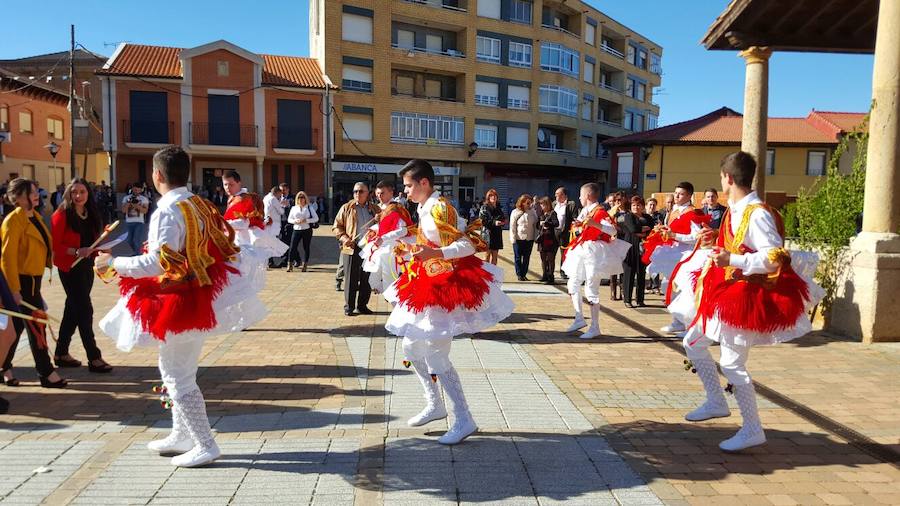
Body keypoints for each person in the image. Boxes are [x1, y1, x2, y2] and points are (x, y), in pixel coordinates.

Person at [96, 146, 266, 467]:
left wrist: (114, 262)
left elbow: (158, 262)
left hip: (181, 298)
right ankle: (181, 433)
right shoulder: (198, 203)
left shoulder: (168, 210)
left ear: (157, 175)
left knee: (178, 374)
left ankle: (204, 443)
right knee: (174, 368)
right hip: (196, 293)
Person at [682, 151, 823, 451]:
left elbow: (774, 258)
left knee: (732, 364)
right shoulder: (736, 210)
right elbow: (740, 244)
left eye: (722, 178)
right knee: (693, 342)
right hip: (727, 289)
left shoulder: (757, 212)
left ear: (729, 178)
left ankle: (752, 428)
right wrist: (718, 244)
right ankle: (716, 401)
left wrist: (731, 258)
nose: (721, 183)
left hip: (744, 295)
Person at [384, 159, 514, 445]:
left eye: (408, 186)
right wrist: (409, 246)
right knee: (410, 346)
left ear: (424, 183)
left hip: (447, 286)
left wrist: (436, 254)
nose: (404, 192)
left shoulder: (442, 207)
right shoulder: (423, 206)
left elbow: (469, 244)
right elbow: (428, 239)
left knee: (436, 355)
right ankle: (435, 404)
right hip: (427, 280)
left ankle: (463, 418)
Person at [1, 179, 66, 388]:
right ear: (18, 197)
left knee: (19, 327)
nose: (37, 194)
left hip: (33, 280)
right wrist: (14, 290)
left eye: (36, 191)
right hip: (21, 280)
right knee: (37, 325)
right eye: (31, 192)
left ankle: (4, 367)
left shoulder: (34, 216)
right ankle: (46, 372)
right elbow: (7, 258)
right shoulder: (13, 221)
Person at [50, 179, 112, 373]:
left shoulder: (91, 214)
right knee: (85, 310)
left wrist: (102, 247)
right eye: (74, 192)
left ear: (88, 194)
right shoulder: (61, 215)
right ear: (68, 193)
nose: (78, 196)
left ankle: (61, 353)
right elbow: (55, 247)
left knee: (73, 310)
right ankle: (94, 357)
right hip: (70, 268)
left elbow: (92, 243)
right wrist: (76, 251)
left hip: (86, 267)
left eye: (82, 192)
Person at [560, 183, 631, 339]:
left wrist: (595, 225)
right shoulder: (585, 211)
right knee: (573, 283)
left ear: (588, 196)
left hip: (594, 252)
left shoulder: (600, 211)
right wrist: (579, 227)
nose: (579, 198)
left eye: (581, 195)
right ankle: (579, 319)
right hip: (583, 249)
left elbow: (612, 230)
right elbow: (581, 228)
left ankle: (595, 326)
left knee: (591, 288)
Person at [645, 181, 707, 335]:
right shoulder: (673, 210)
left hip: (687, 255)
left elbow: (696, 237)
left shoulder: (693, 213)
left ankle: (691, 326)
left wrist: (674, 235)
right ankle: (678, 321)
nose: (677, 196)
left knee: (686, 290)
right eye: (676, 192)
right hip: (672, 253)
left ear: (689, 196)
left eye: (681, 194)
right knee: (667, 286)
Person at [221, 171, 289, 291]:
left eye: (231, 184)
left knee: (241, 278)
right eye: (225, 184)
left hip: (244, 242)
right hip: (235, 240)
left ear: (239, 183)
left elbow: (246, 222)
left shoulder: (244, 199)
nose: (228, 187)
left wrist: (223, 224)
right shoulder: (233, 198)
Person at [333, 182, 380, 316]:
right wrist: (344, 239)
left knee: (366, 278)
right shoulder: (347, 207)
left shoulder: (375, 209)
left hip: (369, 249)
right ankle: (349, 307)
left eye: (361, 191)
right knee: (350, 278)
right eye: (355, 191)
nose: (357, 194)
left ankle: (362, 306)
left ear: (368, 193)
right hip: (352, 247)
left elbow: (385, 225)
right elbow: (337, 226)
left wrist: (379, 220)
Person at [361, 181, 413, 294]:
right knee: (373, 281)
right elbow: (386, 227)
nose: (380, 196)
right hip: (381, 249)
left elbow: (403, 230)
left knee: (389, 282)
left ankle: (397, 304)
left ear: (391, 192)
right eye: (378, 193)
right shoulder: (383, 208)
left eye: (382, 193)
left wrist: (383, 238)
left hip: (391, 250)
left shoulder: (396, 208)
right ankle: (395, 300)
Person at [620, 196, 653, 308]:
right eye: (633, 205)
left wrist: (640, 231)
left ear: (643, 206)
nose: (636, 207)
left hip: (643, 248)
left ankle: (640, 299)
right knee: (629, 274)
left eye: (638, 205)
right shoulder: (628, 216)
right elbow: (632, 229)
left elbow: (651, 228)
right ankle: (627, 299)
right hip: (630, 248)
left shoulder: (647, 217)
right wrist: (642, 229)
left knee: (641, 274)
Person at [286, 191, 319, 272]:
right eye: (299, 198)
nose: (301, 200)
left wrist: (306, 220)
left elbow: (316, 218)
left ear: (305, 199)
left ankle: (305, 265)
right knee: (292, 247)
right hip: (296, 229)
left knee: (306, 247)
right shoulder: (294, 208)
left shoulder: (309, 208)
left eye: (302, 198)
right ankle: (289, 264)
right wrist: (295, 221)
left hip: (306, 230)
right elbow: (289, 219)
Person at [509, 194, 537, 281]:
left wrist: (536, 237)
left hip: (529, 238)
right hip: (518, 238)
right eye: (527, 202)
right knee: (518, 257)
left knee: (526, 257)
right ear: (522, 202)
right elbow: (512, 226)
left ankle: (524, 274)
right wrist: (513, 238)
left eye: (530, 202)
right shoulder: (515, 212)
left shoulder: (532, 212)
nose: (529, 204)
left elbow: (535, 225)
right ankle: (519, 274)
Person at [554, 188, 579, 281]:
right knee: (552, 253)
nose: (555, 196)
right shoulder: (554, 204)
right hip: (554, 232)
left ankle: (563, 271)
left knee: (564, 254)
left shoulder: (571, 204)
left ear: (564, 195)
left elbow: (574, 216)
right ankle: (549, 273)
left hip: (565, 233)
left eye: (557, 194)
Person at [478, 189, 506, 265]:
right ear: (488, 197)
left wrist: (503, 222)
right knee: (487, 256)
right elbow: (482, 221)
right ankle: (486, 275)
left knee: (495, 257)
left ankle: (493, 275)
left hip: (497, 234)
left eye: (495, 195)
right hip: (488, 234)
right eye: (491, 195)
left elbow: (503, 217)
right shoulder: (484, 207)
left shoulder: (499, 207)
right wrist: (494, 222)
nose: (493, 197)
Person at [122, 182, 150, 254]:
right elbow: (123, 210)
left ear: (141, 190)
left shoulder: (144, 199)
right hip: (129, 222)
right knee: (129, 240)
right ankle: (137, 252)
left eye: (138, 190)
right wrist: (128, 203)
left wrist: (136, 205)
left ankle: (137, 255)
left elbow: (145, 211)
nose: (136, 192)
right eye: (134, 190)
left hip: (139, 222)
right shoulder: (126, 198)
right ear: (132, 189)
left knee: (136, 240)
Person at [536, 197, 560, 284]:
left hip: (550, 239)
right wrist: (540, 224)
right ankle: (544, 275)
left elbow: (556, 223)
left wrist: (547, 224)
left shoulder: (552, 213)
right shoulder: (541, 214)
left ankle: (551, 276)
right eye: (541, 204)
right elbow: (537, 226)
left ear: (548, 204)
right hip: (542, 238)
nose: (542, 206)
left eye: (543, 204)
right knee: (543, 258)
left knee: (550, 258)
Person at [609, 192, 627, 301]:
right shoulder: (612, 212)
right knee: (613, 268)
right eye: (617, 200)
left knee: (623, 268)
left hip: (625, 240)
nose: (619, 202)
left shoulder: (628, 212)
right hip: (614, 241)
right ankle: (613, 292)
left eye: (621, 199)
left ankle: (622, 292)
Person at [262, 186, 285, 268]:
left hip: (267, 222)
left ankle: (269, 261)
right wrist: (282, 205)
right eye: (280, 194)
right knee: (271, 243)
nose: (280, 196)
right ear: (277, 192)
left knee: (268, 243)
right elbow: (281, 211)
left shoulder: (266, 197)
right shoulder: (274, 199)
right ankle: (270, 262)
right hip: (273, 223)